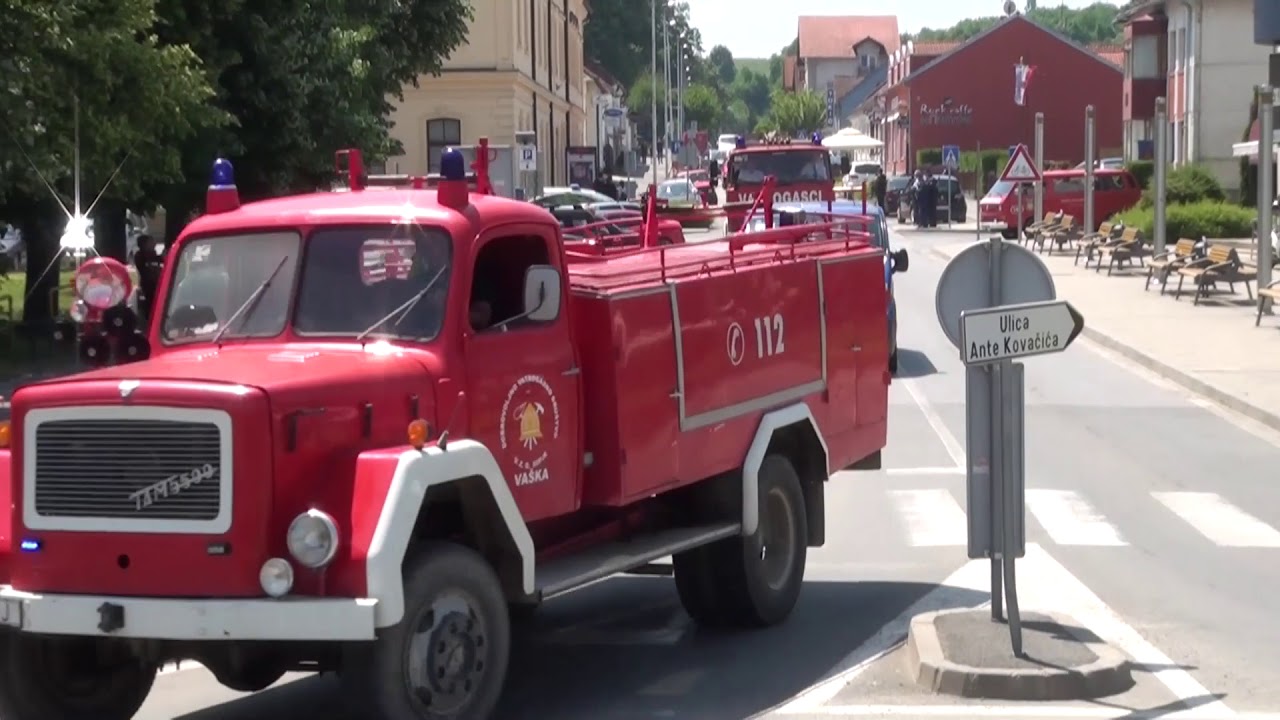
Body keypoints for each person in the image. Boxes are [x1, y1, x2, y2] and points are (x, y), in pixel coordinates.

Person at [132, 234, 163, 324]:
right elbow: (145, 266)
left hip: (157, 283)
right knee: (150, 302)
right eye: (151, 242)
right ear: (145, 244)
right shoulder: (140, 255)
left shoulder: (154, 255)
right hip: (148, 284)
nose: (154, 244)